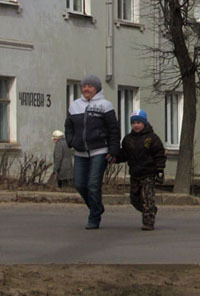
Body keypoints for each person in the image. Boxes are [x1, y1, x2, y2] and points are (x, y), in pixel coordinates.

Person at [65, 74, 120, 229]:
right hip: (80, 152)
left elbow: (113, 129)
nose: (86, 89)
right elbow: (68, 126)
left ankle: (94, 218)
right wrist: (70, 141)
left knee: (93, 184)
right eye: (84, 86)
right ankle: (97, 207)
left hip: (99, 150)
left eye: (89, 86)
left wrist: (114, 150)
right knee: (80, 184)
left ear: (96, 89)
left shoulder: (105, 105)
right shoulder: (74, 105)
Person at [113, 109, 166, 230]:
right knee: (135, 200)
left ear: (144, 123)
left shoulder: (152, 138)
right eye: (134, 123)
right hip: (135, 174)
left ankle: (148, 222)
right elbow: (124, 155)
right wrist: (114, 158)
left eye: (139, 122)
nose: (136, 125)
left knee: (147, 198)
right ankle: (151, 210)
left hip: (148, 173)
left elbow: (159, 154)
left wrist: (160, 169)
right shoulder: (128, 139)